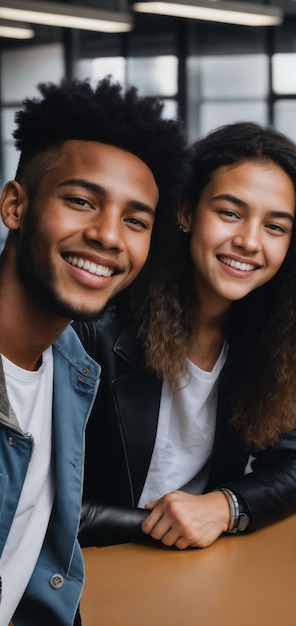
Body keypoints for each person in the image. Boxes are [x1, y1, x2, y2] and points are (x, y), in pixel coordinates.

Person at [76, 122, 296, 550]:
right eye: (230, 213)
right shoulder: (97, 328)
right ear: (186, 213)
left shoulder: (265, 337)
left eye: (275, 227)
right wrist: (166, 526)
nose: (249, 242)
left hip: (195, 566)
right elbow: (52, 502)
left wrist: (224, 506)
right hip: (94, 568)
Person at [0, 77, 187, 626]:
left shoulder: (72, 371)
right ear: (15, 204)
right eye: (82, 201)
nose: (109, 236)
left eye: (135, 221)